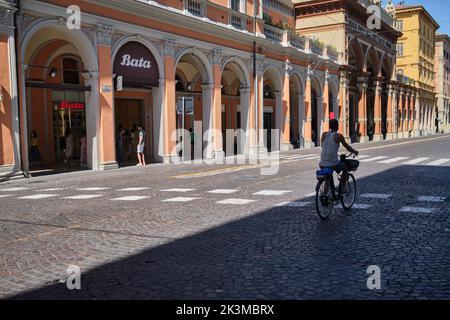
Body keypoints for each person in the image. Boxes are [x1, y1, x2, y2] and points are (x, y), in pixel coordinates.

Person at [319, 119, 359, 184]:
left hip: (322, 163)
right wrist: (355, 151)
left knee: (328, 177)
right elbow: (347, 147)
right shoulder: (339, 136)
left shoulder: (324, 134)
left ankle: (327, 191)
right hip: (333, 163)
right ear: (337, 126)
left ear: (330, 127)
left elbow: (322, 146)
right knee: (345, 169)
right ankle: (342, 186)